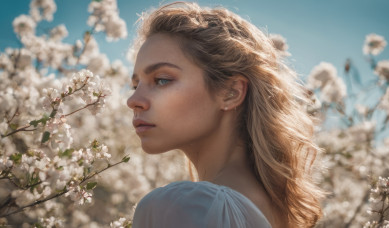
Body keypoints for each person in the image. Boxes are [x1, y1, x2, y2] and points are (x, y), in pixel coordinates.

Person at [127, 2, 324, 227]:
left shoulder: (181, 207)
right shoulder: (279, 210)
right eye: (135, 85)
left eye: (162, 80)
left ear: (231, 92)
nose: (133, 101)